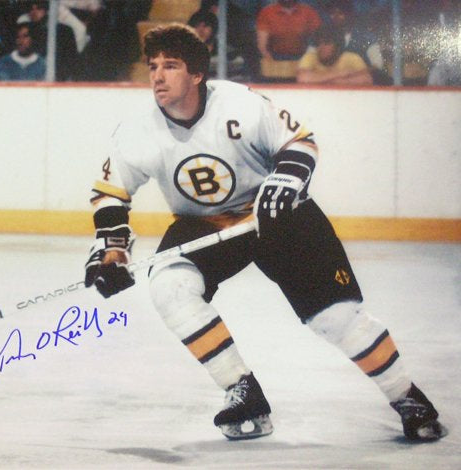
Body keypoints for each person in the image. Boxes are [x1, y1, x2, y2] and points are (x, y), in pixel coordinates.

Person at [84, 23, 447, 442]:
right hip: (206, 225)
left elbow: (299, 142)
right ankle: (243, 393)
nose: (158, 77)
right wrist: (112, 252)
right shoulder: (138, 131)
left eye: (171, 66)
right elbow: (111, 194)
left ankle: (407, 397)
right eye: (153, 67)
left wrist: (284, 180)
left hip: (276, 216)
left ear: (197, 74)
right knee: (169, 287)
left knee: (335, 319)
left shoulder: (240, 104)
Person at [297, 26, 373, 85]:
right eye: (318, 43)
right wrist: (340, 74)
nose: (321, 47)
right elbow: (303, 78)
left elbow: (366, 79)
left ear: (338, 46)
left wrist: (335, 81)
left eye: (326, 43)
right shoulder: (310, 57)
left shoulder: (352, 58)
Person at [256, 0, 322, 61]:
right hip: (275, 57)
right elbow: (262, 46)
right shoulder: (266, 12)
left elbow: (320, 38)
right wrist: (270, 61)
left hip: (303, 57)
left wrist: (309, 60)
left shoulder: (309, 12)